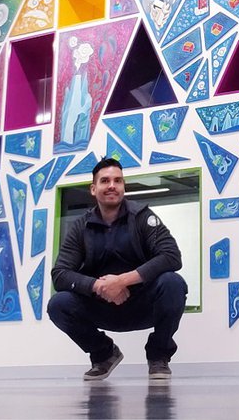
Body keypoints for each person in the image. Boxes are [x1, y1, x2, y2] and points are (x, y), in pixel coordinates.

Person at [47, 158, 188, 382]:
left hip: (143, 303)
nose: (112, 185)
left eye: (118, 180)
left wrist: (122, 281)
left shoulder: (143, 217)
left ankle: (159, 355)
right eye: (105, 181)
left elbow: (171, 256)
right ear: (93, 189)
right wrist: (99, 286)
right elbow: (60, 274)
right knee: (58, 304)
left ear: (124, 186)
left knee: (173, 283)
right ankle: (103, 355)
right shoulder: (80, 227)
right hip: (101, 306)